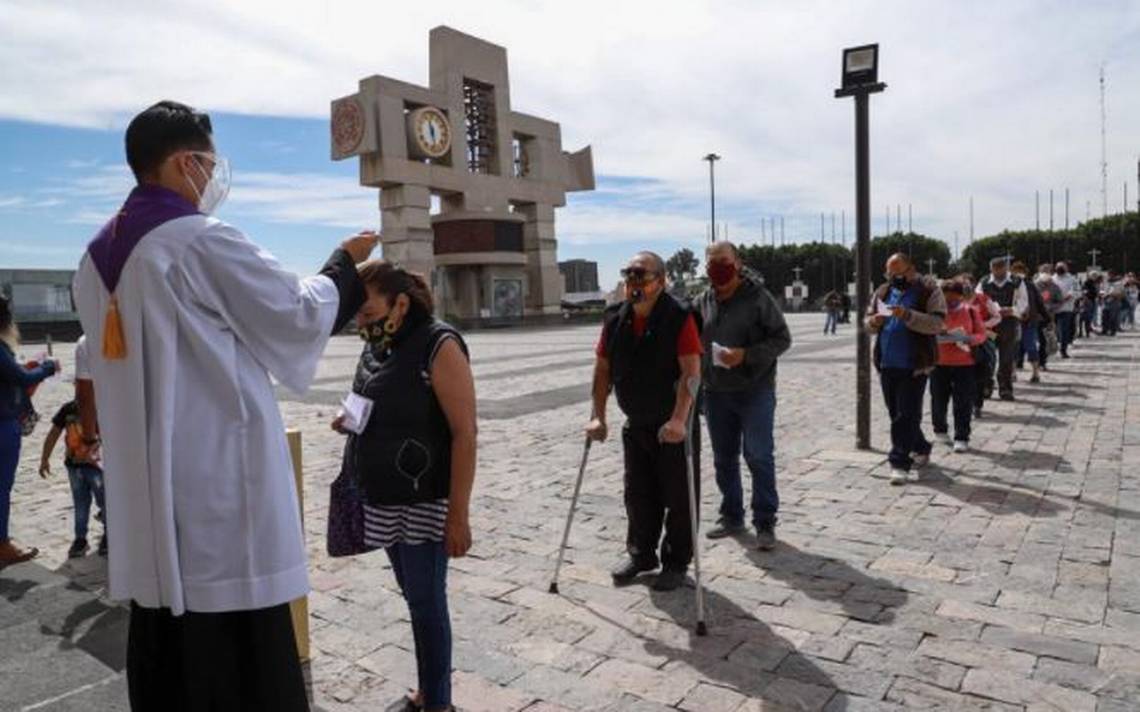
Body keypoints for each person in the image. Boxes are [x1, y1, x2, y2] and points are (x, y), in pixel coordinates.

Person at [71, 100, 378, 711]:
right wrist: (344, 264)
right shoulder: (197, 240)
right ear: (186, 161)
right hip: (218, 483)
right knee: (241, 658)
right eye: (209, 164)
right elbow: (293, 313)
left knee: (170, 643)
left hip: (147, 494)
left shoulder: (93, 259)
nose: (213, 178)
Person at [332, 262, 475, 712]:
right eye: (357, 314)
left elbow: (465, 433)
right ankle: (428, 691)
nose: (362, 322)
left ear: (400, 303)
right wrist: (348, 420)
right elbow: (364, 395)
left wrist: (458, 515)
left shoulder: (439, 343)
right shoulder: (380, 344)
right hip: (386, 497)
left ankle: (438, 702)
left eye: (368, 312)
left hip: (425, 501)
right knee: (416, 601)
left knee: (426, 602)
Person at [587, 251, 702, 591]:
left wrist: (680, 419)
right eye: (629, 275)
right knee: (637, 493)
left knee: (679, 496)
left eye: (641, 275)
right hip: (636, 421)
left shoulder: (679, 316)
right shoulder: (614, 318)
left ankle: (676, 561)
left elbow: (691, 372)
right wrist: (598, 416)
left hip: (673, 425)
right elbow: (603, 368)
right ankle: (642, 554)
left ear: (661, 281)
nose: (634, 282)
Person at [697, 242, 791, 549]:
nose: (717, 268)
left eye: (723, 262)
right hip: (716, 393)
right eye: (711, 263)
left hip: (755, 390)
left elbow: (782, 338)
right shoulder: (703, 299)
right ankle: (731, 515)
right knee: (724, 458)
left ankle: (765, 521)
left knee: (758, 455)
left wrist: (747, 355)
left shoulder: (758, 298)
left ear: (737, 263)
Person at [866, 253, 946, 484]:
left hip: (914, 365)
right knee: (896, 414)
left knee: (905, 414)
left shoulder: (928, 290)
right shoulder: (883, 291)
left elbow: (937, 324)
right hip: (887, 363)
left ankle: (899, 462)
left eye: (897, 273)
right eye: (889, 273)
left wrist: (908, 315)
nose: (893, 277)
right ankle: (920, 446)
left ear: (910, 269)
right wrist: (874, 322)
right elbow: (867, 322)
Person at [0, 294, 59, 567]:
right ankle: (2, 545)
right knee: (2, 486)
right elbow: (20, 378)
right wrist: (46, 368)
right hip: (3, 425)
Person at [39, 396, 106, 558]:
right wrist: (44, 458)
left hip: (97, 467)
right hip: (74, 466)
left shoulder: (103, 406)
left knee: (104, 501)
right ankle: (80, 539)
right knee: (81, 503)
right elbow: (54, 433)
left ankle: (109, 535)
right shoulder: (68, 409)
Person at [930, 279, 986, 453]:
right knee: (938, 399)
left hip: (965, 363)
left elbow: (982, 334)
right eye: (946, 298)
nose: (949, 302)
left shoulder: (970, 311)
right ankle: (940, 429)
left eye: (953, 298)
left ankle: (961, 436)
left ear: (961, 296)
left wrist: (969, 338)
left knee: (963, 402)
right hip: (939, 362)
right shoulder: (934, 312)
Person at [977, 256, 1028, 401]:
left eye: (1001, 269)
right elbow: (977, 300)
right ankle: (986, 386)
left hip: (1008, 324)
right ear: (991, 269)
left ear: (1006, 268)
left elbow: (1023, 302)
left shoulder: (1017, 282)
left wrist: (1012, 310)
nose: (998, 272)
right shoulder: (984, 282)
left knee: (1006, 358)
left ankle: (1005, 388)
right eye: (995, 269)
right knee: (987, 357)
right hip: (990, 326)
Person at [961, 275, 1000, 420]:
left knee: (982, 371)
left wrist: (983, 326)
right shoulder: (953, 300)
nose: (965, 287)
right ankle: (968, 403)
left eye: (968, 283)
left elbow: (997, 317)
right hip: (961, 342)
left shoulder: (984, 299)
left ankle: (978, 403)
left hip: (982, 340)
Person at [1011, 261, 1050, 383]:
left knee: (1030, 346)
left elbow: (1039, 303)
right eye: (1016, 271)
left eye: (1020, 271)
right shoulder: (1011, 285)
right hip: (1014, 320)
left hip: (1030, 321)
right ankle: (1012, 373)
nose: (1018, 273)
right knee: (1013, 347)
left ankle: (1035, 373)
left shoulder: (1030, 285)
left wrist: (1047, 318)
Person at [1052, 261, 1078, 357]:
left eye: (1062, 267)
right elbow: (1047, 291)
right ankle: (1053, 347)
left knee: (1064, 330)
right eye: (1058, 267)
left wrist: (1065, 298)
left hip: (1066, 308)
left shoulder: (1071, 279)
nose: (1060, 269)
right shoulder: (1052, 279)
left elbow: (1075, 291)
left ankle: (1063, 349)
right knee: (1054, 330)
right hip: (1053, 309)